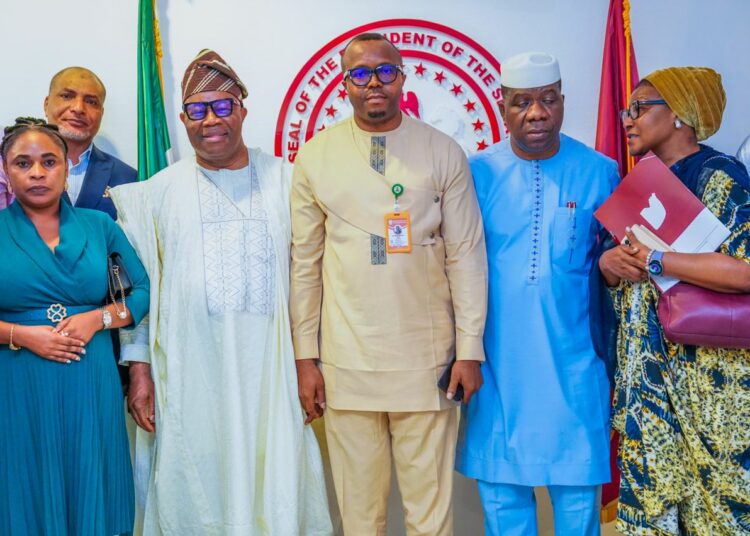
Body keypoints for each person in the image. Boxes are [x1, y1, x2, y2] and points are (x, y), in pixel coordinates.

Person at [110, 49, 332, 535]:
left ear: (243, 110)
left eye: (223, 106)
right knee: (195, 483)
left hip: (273, 373)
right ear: (184, 119)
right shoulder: (158, 192)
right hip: (190, 377)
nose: (210, 120)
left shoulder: (288, 181)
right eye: (197, 109)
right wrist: (141, 371)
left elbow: (311, 280)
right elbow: (142, 296)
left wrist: (308, 362)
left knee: (276, 475)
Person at [290, 33, 487, 536]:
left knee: (430, 515)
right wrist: (304, 358)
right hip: (344, 361)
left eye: (384, 72)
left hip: (428, 360)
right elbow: (305, 264)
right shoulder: (316, 156)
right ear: (344, 83)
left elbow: (466, 255)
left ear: (402, 78)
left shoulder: (442, 152)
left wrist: (469, 350)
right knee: (359, 517)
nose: (372, 83)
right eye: (359, 73)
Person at [455, 52, 618, 536]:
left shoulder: (601, 171)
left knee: (577, 514)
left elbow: (616, 269)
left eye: (548, 100)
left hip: (576, 367)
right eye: (522, 102)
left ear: (563, 102)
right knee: (504, 511)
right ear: (502, 107)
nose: (536, 113)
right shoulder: (474, 173)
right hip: (500, 368)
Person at [599, 66, 750, 535]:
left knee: (718, 518)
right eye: (627, 110)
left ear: (680, 115)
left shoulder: (720, 176)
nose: (629, 119)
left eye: (641, 108)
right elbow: (626, 271)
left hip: (710, 388)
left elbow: (744, 270)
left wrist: (659, 259)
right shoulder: (639, 185)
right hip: (649, 388)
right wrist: (610, 267)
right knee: (652, 519)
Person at [0, 117, 149, 535]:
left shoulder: (99, 226)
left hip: (90, 376)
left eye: (49, 161)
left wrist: (97, 319)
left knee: (92, 475)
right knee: (24, 480)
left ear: (67, 167)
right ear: (6, 171)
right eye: (22, 163)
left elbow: (141, 291)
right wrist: (20, 335)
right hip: (17, 381)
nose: (36, 173)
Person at [45, 66, 137, 217]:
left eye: (91, 101)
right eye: (67, 96)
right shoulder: (13, 169)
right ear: (46, 104)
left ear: (101, 113)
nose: (78, 108)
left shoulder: (127, 178)